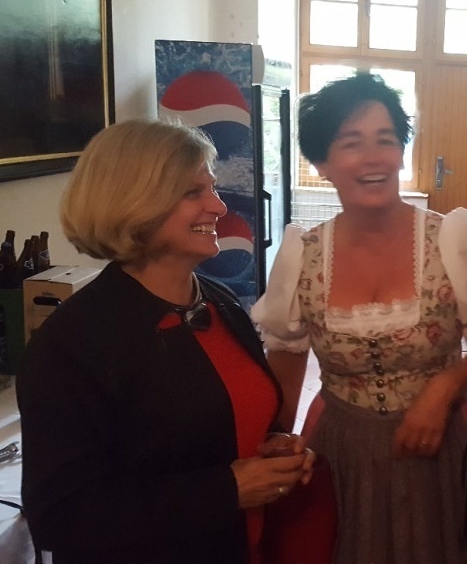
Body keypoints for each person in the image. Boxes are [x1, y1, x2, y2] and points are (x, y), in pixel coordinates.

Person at [16, 119, 316, 564]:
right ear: (134, 203)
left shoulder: (220, 304)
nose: (218, 206)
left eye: (212, 188)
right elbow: (60, 515)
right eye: (193, 192)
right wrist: (228, 489)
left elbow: (217, 427)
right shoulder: (73, 344)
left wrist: (270, 445)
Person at [251, 72, 467, 564]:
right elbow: (287, 358)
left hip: (441, 445)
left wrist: (446, 387)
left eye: (385, 140)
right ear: (322, 163)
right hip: (342, 451)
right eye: (352, 143)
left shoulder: (453, 240)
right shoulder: (302, 254)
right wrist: (278, 437)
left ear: (402, 153)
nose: (373, 158)